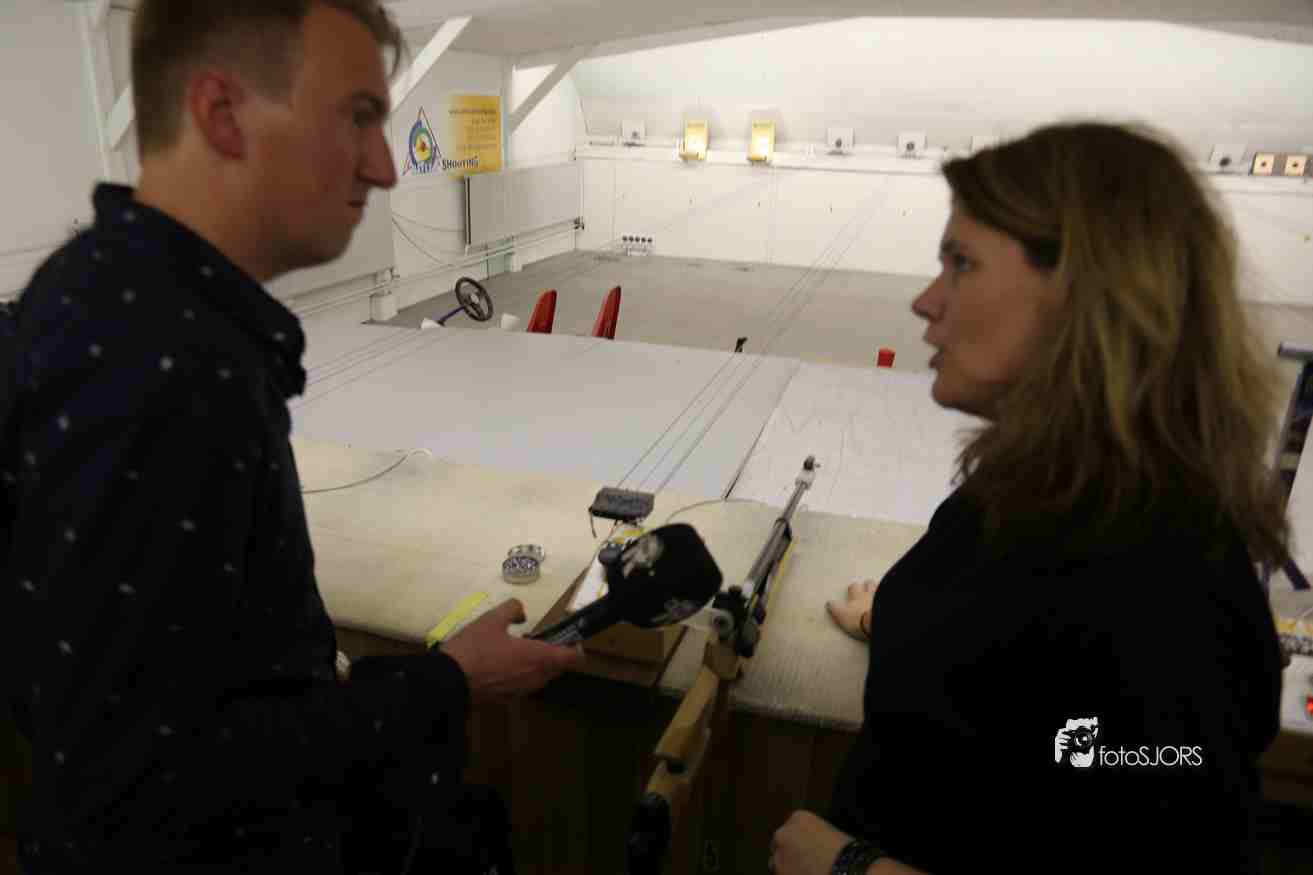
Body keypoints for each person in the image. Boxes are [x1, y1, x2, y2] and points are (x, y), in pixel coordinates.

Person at [0, 2, 582, 872]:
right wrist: (447, 682)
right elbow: (140, 784)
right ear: (221, 113)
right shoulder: (168, 363)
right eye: (355, 117)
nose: (384, 166)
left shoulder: (91, 289)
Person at [773, 122, 1287, 874]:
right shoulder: (1040, 487)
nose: (925, 301)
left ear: (1082, 297)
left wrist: (851, 868)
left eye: (961, 264)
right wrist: (905, 619)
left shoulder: (1162, 592)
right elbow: (1028, 672)